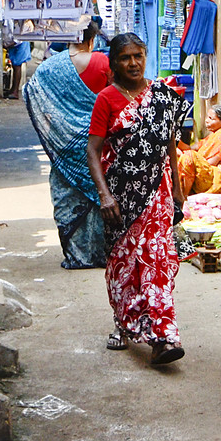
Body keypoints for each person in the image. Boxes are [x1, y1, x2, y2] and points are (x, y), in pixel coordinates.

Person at [86, 33, 191, 364]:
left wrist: (176, 185)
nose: (133, 62)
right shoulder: (106, 99)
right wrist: (105, 196)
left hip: (157, 194)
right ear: (114, 63)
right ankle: (125, 321)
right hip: (121, 197)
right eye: (126, 57)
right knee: (124, 265)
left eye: (139, 55)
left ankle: (164, 337)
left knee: (157, 260)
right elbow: (93, 151)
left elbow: (169, 143)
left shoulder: (161, 94)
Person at [23, 17, 111, 269]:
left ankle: (77, 255)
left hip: (64, 146)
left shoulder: (49, 68)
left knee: (68, 198)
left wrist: (60, 130)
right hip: (99, 142)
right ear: (92, 39)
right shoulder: (104, 62)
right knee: (101, 196)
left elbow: (35, 99)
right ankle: (103, 253)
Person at [177, 101, 221, 196]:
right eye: (207, 117)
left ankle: (184, 195)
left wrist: (186, 155)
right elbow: (192, 148)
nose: (206, 120)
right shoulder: (214, 135)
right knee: (185, 156)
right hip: (211, 175)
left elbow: (208, 163)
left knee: (188, 157)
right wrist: (176, 142)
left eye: (211, 118)